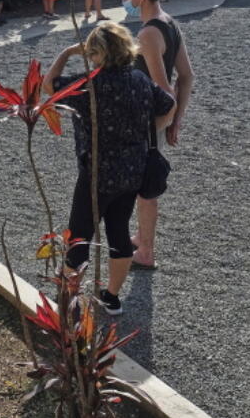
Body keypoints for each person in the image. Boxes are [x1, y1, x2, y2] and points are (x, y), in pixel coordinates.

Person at [45, 21, 175, 315]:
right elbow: (168, 103)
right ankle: (112, 298)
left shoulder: (88, 85)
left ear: (97, 53)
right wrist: (147, 131)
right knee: (119, 231)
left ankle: (70, 300)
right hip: (131, 171)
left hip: (96, 174)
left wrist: (66, 53)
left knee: (79, 235)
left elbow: (48, 85)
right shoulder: (141, 81)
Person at [121, 0, 196, 270]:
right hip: (158, 122)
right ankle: (142, 238)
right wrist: (176, 121)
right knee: (146, 187)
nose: (125, 2)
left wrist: (161, 124)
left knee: (144, 189)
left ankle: (146, 252)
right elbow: (187, 78)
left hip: (146, 123)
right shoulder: (171, 24)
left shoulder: (148, 33)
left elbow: (165, 89)